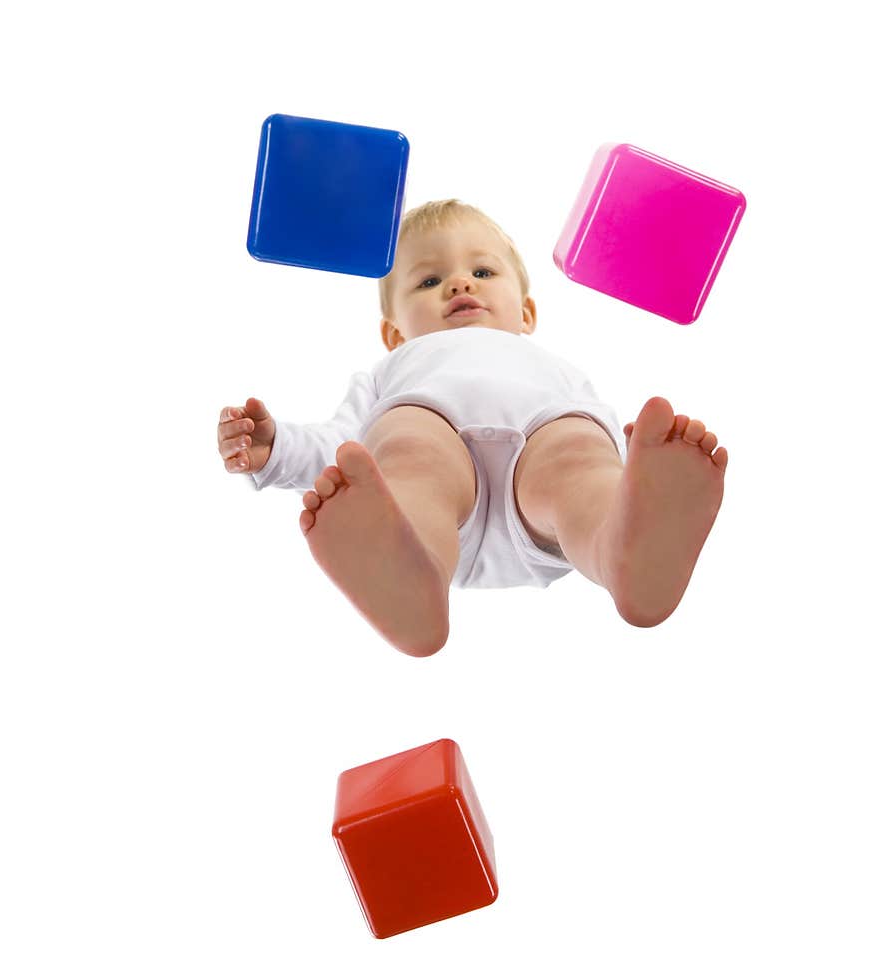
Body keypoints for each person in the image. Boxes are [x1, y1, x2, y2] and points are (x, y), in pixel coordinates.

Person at [217, 200, 727, 657]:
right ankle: (408, 565)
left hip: (543, 493)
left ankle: (620, 548)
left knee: (577, 456)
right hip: (442, 508)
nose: (460, 284)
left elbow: (605, 449)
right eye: (429, 281)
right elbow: (339, 446)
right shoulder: (390, 370)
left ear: (526, 312)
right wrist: (277, 449)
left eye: (483, 271)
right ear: (394, 333)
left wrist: (631, 474)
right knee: (406, 449)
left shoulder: (554, 366)